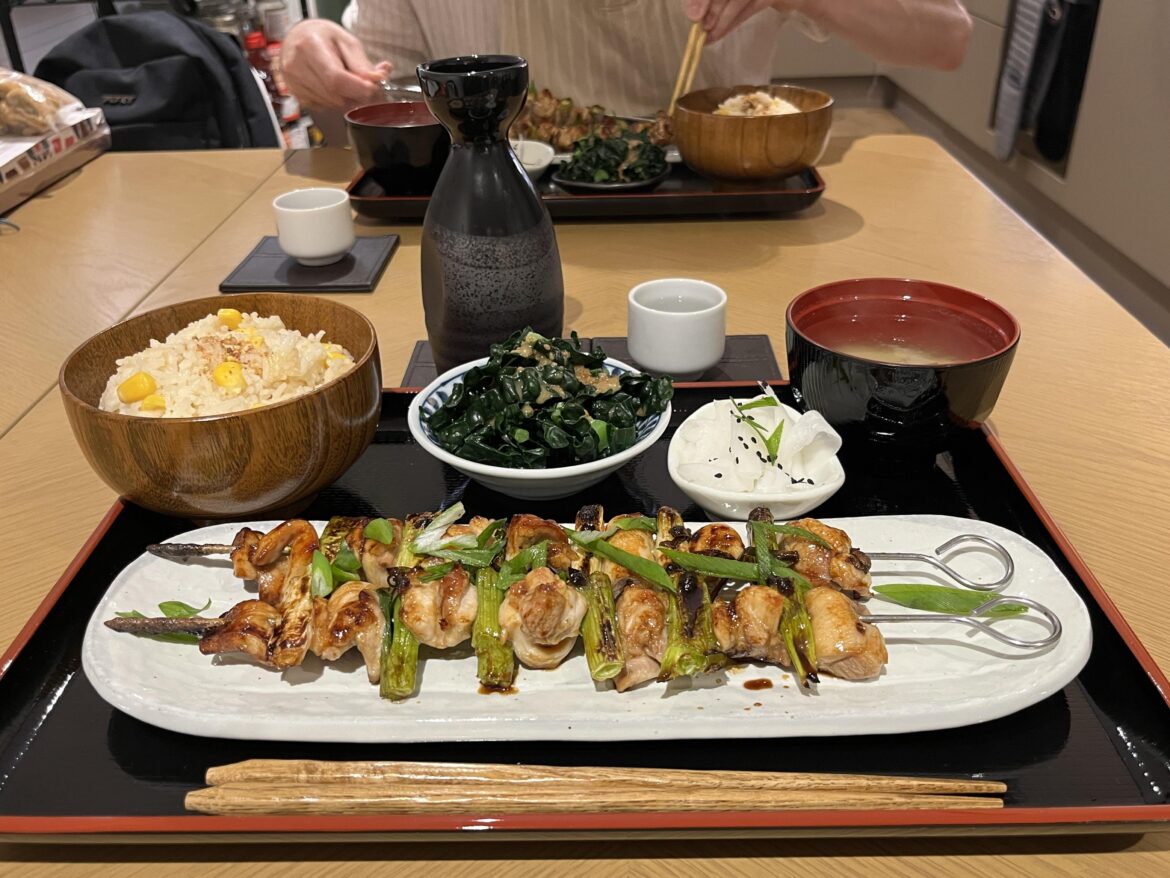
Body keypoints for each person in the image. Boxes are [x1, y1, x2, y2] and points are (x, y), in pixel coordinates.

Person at [282, 0, 972, 116]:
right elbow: (367, 78)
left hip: (718, 215)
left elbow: (945, 37)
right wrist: (313, 50)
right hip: (501, 227)